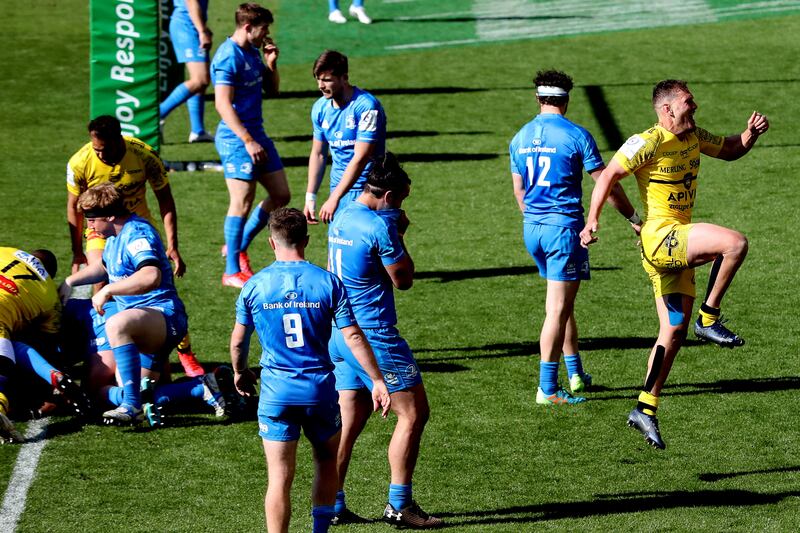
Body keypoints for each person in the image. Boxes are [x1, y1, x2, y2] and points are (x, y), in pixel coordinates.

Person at [580, 79, 769, 449]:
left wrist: (750, 134)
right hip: (662, 237)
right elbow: (606, 178)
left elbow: (730, 149)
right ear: (667, 109)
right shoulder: (647, 141)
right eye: (688, 101)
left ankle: (645, 407)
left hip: (675, 245)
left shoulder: (693, 135)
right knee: (734, 243)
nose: (694, 105)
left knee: (673, 331)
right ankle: (710, 318)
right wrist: (592, 220)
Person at [230, 207, 390, 533]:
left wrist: (240, 371)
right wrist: (376, 379)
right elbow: (354, 336)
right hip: (319, 391)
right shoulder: (329, 283)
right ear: (306, 239)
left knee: (279, 478)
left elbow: (237, 342)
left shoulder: (255, 286)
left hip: (277, 393)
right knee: (326, 461)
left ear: (272, 244)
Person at [509, 70, 640, 406]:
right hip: (562, 231)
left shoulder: (519, 137)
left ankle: (576, 373)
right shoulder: (576, 135)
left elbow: (519, 191)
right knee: (556, 309)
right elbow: (605, 183)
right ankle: (548, 389)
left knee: (563, 304)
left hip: (533, 230)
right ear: (565, 101)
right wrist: (633, 218)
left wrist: (537, 220)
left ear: (537, 99)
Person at [327, 153, 442, 528]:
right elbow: (403, 280)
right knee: (413, 414)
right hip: (374, 336)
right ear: (389, 194)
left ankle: (332, 501)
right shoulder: (380, 227)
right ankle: (399, 505)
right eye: (402, 199)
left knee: (349, 422)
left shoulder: (343, 212)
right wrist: (401, 231)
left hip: (339, 334)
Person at [66, 115, 205, 378]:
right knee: (102, 286)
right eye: (96, 150)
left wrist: (172, 244)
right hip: (101, 229)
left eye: (105, 149)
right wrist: (76, 253)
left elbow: (165, 199)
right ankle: (108, 352)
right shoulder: (79, 162)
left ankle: (183, 352)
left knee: (157, 287)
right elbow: (74, 208)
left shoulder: (144, 155)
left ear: (119, 140)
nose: (101, 155)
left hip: (136, 226)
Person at [60, 184, 197, 425]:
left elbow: (151, 276)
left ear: (110, 215)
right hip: (142, 321)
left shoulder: (137, 234)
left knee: (116, 324)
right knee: (111, 391)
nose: (88, 226)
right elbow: (104, 267)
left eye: (91, 219)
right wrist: (70, 281)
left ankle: (131, 406)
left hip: (163, 315)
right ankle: (205, 387)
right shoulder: (113, 237)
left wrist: (109, 289)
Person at [211, 2, 290, 288]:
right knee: (241, 201)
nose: (267, 34)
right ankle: (231, 270)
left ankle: (237, 246)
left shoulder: (252, 52)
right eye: (264, 28)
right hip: (237, 139)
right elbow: (221, 103)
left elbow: (273, 90)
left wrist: (271, 64)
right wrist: (246, 140)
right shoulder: (227, 57)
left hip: (258, 134)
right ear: (248, 27)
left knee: (281, 194)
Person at [0, 247, 89, 442]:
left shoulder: (5, 251)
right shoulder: (49, 294)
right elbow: (48, 344)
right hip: (3, 322)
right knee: (7, 371)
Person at [304, 50, 386, 225]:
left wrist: (334, 198)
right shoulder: (320, 108)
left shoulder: (366, 107)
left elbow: (361, 156)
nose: (320, 85)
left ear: (344, 77)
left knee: (369, 250)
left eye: (326, 80)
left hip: (369, 192)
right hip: (339, 190)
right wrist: (310, 197)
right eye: (317, 79)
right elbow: (318, 153)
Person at [160, 0, 214, 143]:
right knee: (200, 79)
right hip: (187, 27)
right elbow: (191, 2)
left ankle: (198, 131)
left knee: (200, 82)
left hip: (190, 25)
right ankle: (157, 115)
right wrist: (202, 30)